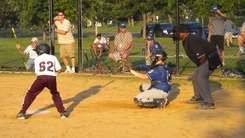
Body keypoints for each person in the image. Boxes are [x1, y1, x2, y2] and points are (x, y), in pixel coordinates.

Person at [172, 24, 222, 110]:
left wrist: (201, 67)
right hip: (208, 57)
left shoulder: (191, 39)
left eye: (177, 32)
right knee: (195, 77)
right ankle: (198, 97)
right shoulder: (186, 39)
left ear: (184, 32)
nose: (175, 34)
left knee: (201, 77)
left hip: (211, 57)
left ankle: (209, 102)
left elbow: (201, 56)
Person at [16, 43, 67, 119]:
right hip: (52, 78)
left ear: (40, 52)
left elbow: (38, 72)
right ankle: (62, 112)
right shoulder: (53, 57)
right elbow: (59, 71)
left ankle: (22, 112)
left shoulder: (37, 59)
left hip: (41, 78)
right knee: (55, 94)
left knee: (31, 93)